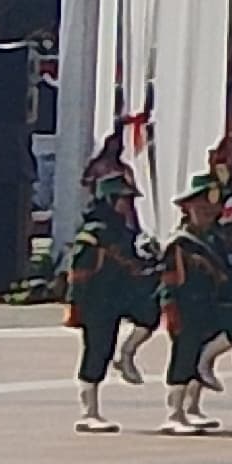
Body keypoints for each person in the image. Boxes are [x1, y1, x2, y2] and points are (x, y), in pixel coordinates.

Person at [62, 175, 155, 431]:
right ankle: (88, 412)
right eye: (123, 200)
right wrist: (75, 304)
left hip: (119, 294)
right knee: (97, 351)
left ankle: (126, 354)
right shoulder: (93, 234)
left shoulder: (122, 231)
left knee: (150, 314)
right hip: (96, 300)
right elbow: (78, 272)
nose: (128, 205)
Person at [155, 181, 232, 435]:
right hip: (185, 307)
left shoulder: (213, 240)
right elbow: (169, 282)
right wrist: (171, 311)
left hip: (208, 304)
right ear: (188, 210)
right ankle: (174, 413)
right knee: (183, 357)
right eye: (200, 210)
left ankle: (192, 408)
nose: (206, 216)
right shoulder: (179, 244)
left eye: (210, 211)